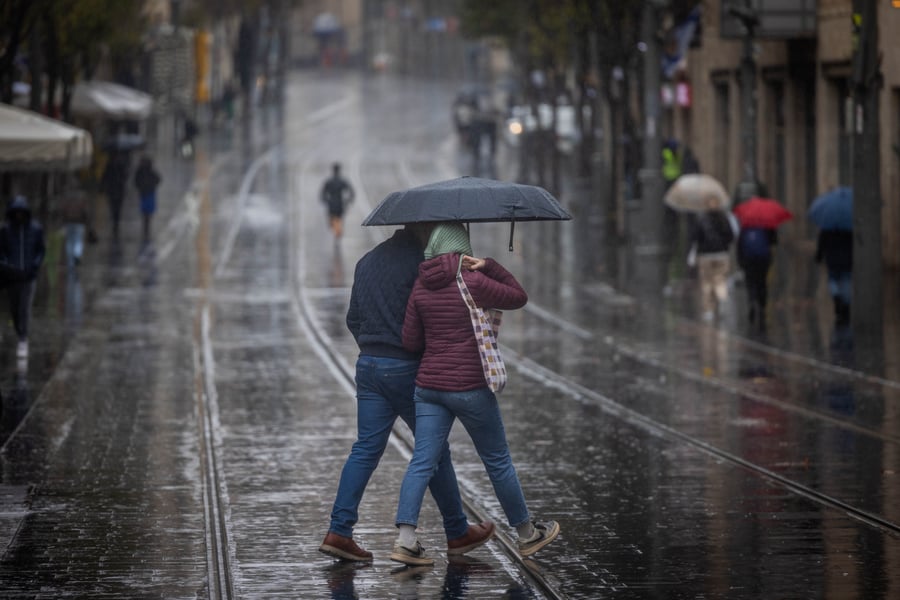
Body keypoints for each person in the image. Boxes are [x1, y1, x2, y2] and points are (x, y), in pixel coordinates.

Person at [320, 223, 494, 563]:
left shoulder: (367, 261)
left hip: (368, 365)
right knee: (433, 449)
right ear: (426, 229)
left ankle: (339, 530)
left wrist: (374, 349)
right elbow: (427, 321)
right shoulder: (423, 264)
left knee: (366, 449)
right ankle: (457, 531)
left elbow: (352, 319)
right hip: (406, 366)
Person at [391, 223, 559, 566]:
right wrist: (491, 266)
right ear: (462, 250)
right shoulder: (474, 282)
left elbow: (410, 341)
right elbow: (518, 296)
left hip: (429, 389)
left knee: (422, 461)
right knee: (497, 461)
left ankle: (405, 540)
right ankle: (527, 534)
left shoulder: (420, 286)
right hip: (470, 388)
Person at [0, 196, 46, 359]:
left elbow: (40, 250)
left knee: (24, 307)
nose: (19, 216)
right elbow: (2, 251)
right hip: (12, 276)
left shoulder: (35, 229)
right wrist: (6, 266)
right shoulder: (6, 230)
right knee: (14, 308)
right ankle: (20, 331)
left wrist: (34, 265)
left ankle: (23, 337)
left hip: (28, 276)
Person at [688, 206, 735, 321]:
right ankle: (722, 299)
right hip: (722, 254)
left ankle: (709, 310)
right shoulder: (724, 219)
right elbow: (730, 236)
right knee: (720, 279)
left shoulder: (701, 219)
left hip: (705, 255)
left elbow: (694, 237)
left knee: (707, 282)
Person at [736, 226, 777, 327]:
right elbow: (774, 241)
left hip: (748, 259)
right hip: (763, 259)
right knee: (762, 282)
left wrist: (741, 261)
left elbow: (740, 245)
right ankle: (762, 306)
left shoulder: (745, 226)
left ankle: (752, 301)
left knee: (750, 282)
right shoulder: (767, 226)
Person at [815, 228, 853, 325]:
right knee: (846, 280)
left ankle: (836, 295)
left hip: (832, 260)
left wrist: (818, 256)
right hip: (846, 259)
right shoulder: (848, 229)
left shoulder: (826, 229)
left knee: (832, 279)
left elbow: (821, 244)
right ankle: (845, 304)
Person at [320, 163, 354, 238]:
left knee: (332, 221)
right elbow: (351, 191)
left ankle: (337, 231)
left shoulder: (329, 181)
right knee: (339, 219)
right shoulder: (342, 181)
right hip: (340, 203)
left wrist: (326, 200)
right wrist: (348, 200)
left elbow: (322, 193)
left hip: (331, 204)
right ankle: (338, 231)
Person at [101, 151, 129, 240]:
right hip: (113, 190)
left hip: (118, 190)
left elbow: (125, 176)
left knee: (118, 206)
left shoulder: (121, 166)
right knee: (113, 206)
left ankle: (116, 220)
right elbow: (105, 177)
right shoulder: (110, 167)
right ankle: (115, 220)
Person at [133, 156, 162, 241]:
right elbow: (136, 181)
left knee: (147, 210)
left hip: (148, 193)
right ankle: (146, 224)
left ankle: (146, 224)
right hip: (145, 193)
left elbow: (158, 179)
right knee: (146, 210)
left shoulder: (147, 171)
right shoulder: (141, 171)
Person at [61, 190, 90, 266]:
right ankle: (77, 255)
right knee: (78, 240)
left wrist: (64, 219)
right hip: (79, 222)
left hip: (69, 221)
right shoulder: (81, 196)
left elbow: (63, 209)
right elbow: (85, 210)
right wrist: (86, 221)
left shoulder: (67, 197)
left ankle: (71, 257)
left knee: (69, 241)